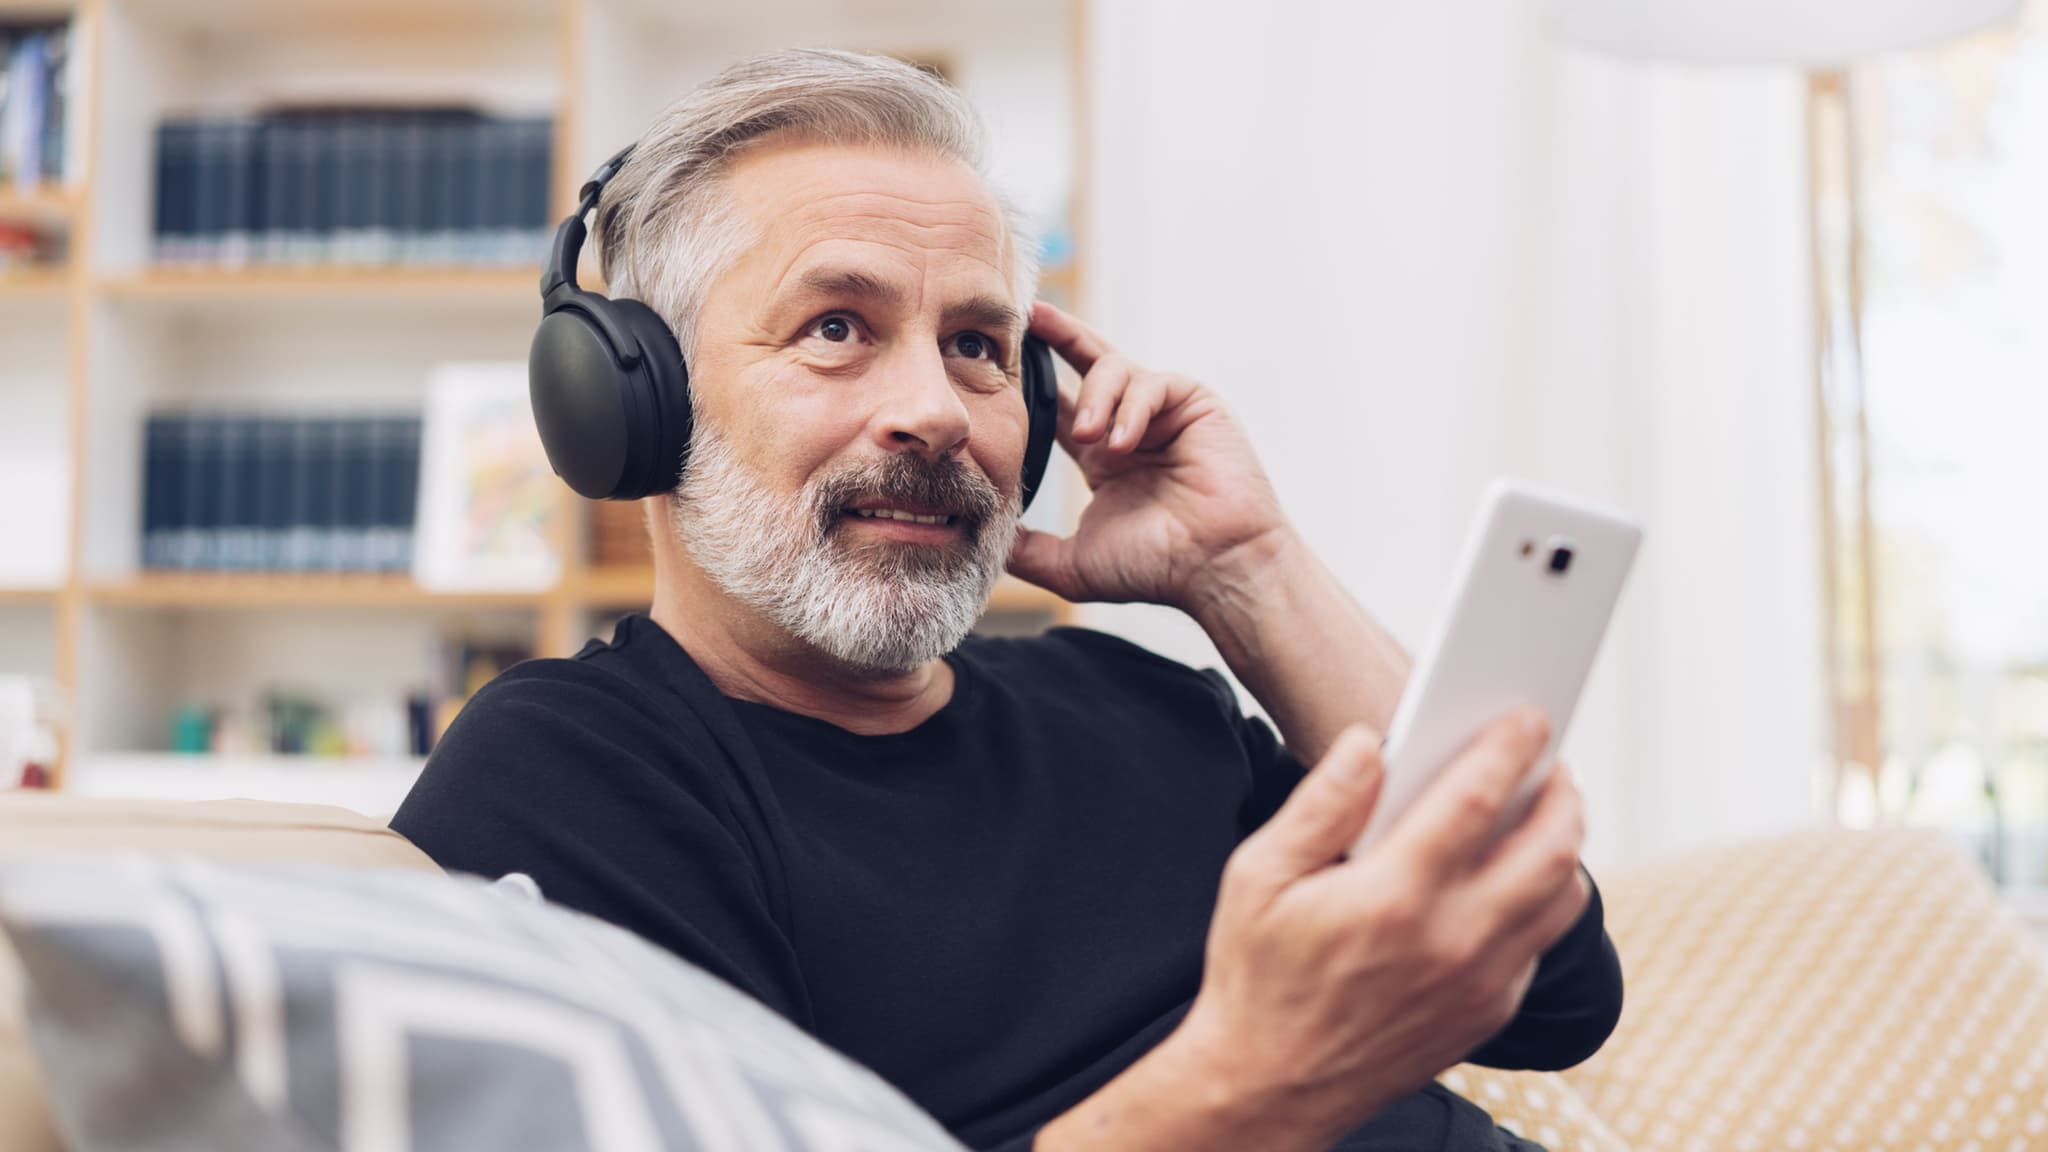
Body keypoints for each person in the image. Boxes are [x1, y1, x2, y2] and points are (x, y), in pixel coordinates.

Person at [393, 48, 1620, 1152]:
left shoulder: (1138, 703)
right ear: (632, 402)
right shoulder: (568, 777)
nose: (934, 407)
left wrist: (1243, 568)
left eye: (978, 345)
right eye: (836, 326)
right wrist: (1251, 1082)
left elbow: (1556, 988)